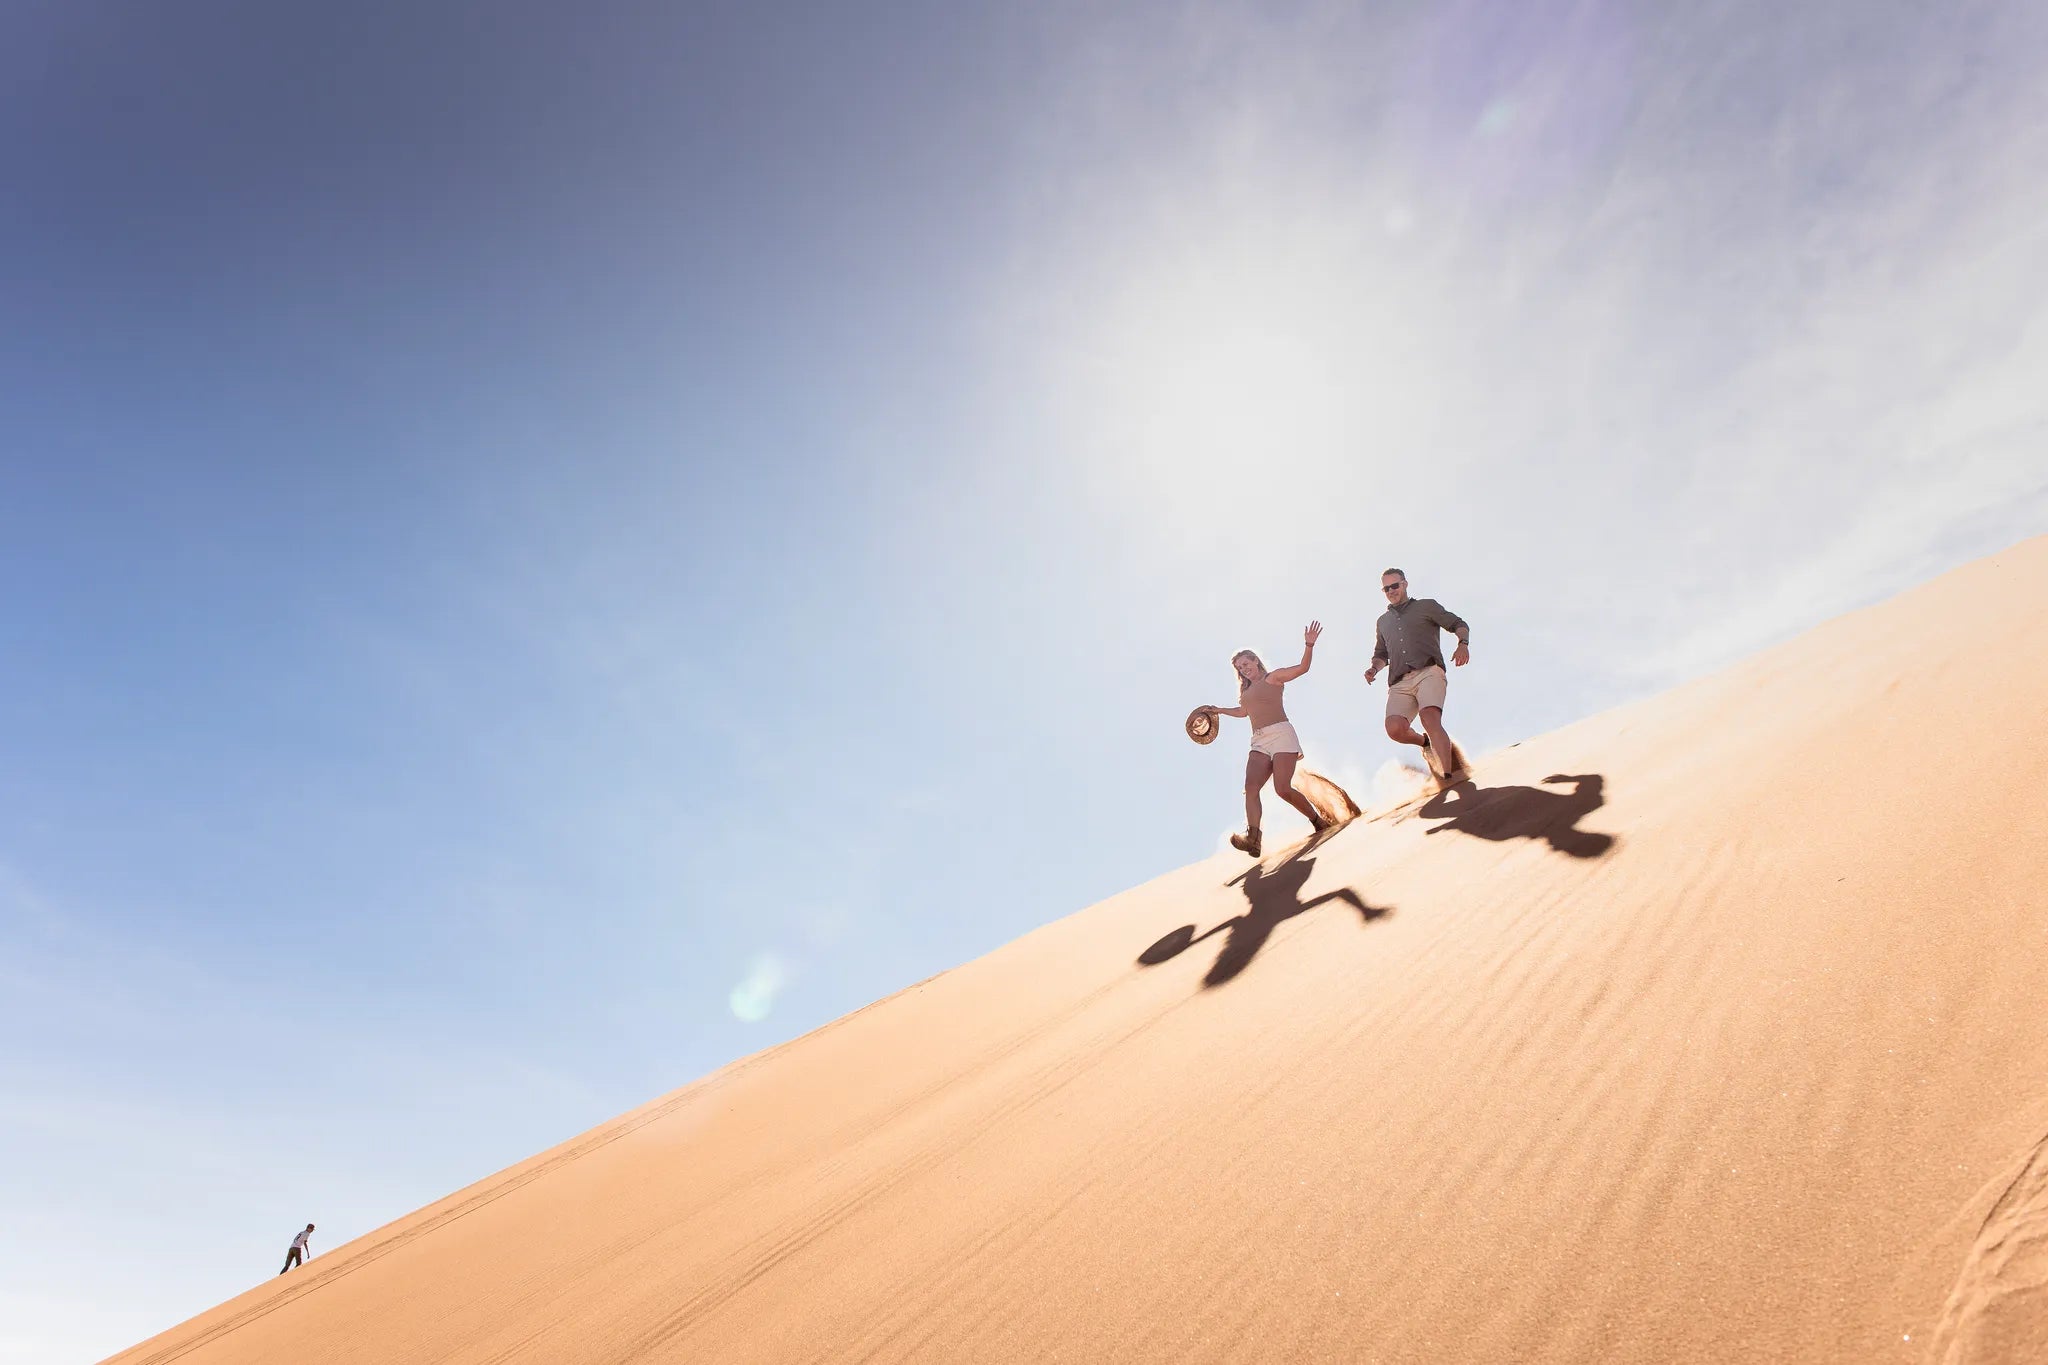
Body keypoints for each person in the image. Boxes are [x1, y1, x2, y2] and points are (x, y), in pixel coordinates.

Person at [1203, 622, 1330, 858]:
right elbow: (1243, 712)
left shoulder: (1274, 678)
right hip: (1259, 741)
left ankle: (1317, 821)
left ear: (1255, 661)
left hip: (1282, 734)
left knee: (1282, 789)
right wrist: (1219, 710)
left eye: (1246, 664)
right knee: (1251, 788)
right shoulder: (1246, 692)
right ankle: (1253, 839)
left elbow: (1303, 668)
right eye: (1240, 668)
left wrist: (1309, 645)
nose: (1244, 669)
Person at [1363, 568, 1470, 775]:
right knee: (1394, 729)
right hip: (1399, 682)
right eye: (1386, 588)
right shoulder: (1383, 622)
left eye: (1395, 585)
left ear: (1405, 584)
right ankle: (1425, 742)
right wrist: (1373, 669)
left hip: (1429, 671)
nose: (1391, 591)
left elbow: (1458, 623)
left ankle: (1448, 776)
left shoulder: (1426, 606)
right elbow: (1381, 654)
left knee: (1429, 717)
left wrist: (1463, 644)